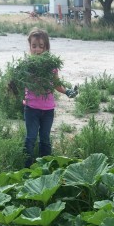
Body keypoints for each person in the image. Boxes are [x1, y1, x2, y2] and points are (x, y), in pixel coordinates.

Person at [22, 27, 77, 168]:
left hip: (48, 110)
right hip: (31, 109)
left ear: (46, 47)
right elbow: (19, 82)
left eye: (41, 46)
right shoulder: (26, 65)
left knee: (45, 140)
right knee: (31, 139)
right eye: (34, 46)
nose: (37, 50)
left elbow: (57, 85)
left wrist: (67, 91)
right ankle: (26, 168)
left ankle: (45, 167)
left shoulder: (52, 66)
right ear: (30, 47)